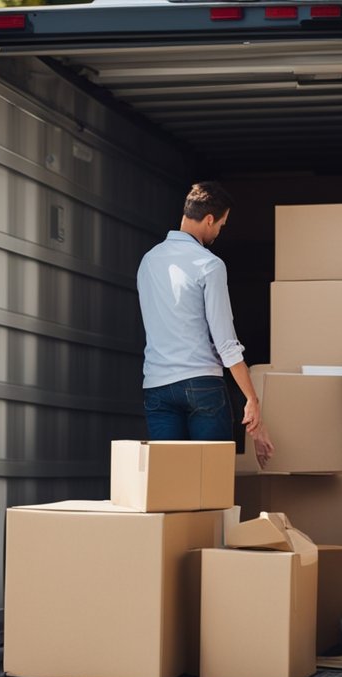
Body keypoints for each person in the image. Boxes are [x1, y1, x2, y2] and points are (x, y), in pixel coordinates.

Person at [136, 181, 273, 467]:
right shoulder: (209, 264)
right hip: (201, 385)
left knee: (169, 484)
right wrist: (252, 399)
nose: (219, 232)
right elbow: (226, 343)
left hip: (157, 385)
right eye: (221, 225)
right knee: (210, 481)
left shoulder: (148, 261)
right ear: (209, 219)